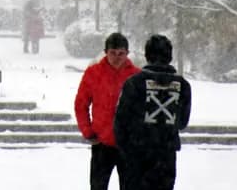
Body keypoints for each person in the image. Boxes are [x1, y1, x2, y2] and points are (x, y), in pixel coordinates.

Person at [114, 34, 192, 190]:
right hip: (166, 156)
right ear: (169, 56)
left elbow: (120, 123)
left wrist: (127, 148)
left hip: (137, 155)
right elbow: (182, 122)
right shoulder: (183, 86)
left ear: (147, 56)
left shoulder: (133, 84)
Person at [74, 32, 140, 190]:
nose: (117, 57)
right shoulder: (93, 73)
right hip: (102, 143)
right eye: (113, 53)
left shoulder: (137, 76)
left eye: (121, 53)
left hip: (128, 144)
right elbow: (81, 104)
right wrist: (87, 131)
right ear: (106, 52)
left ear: (127, 53)